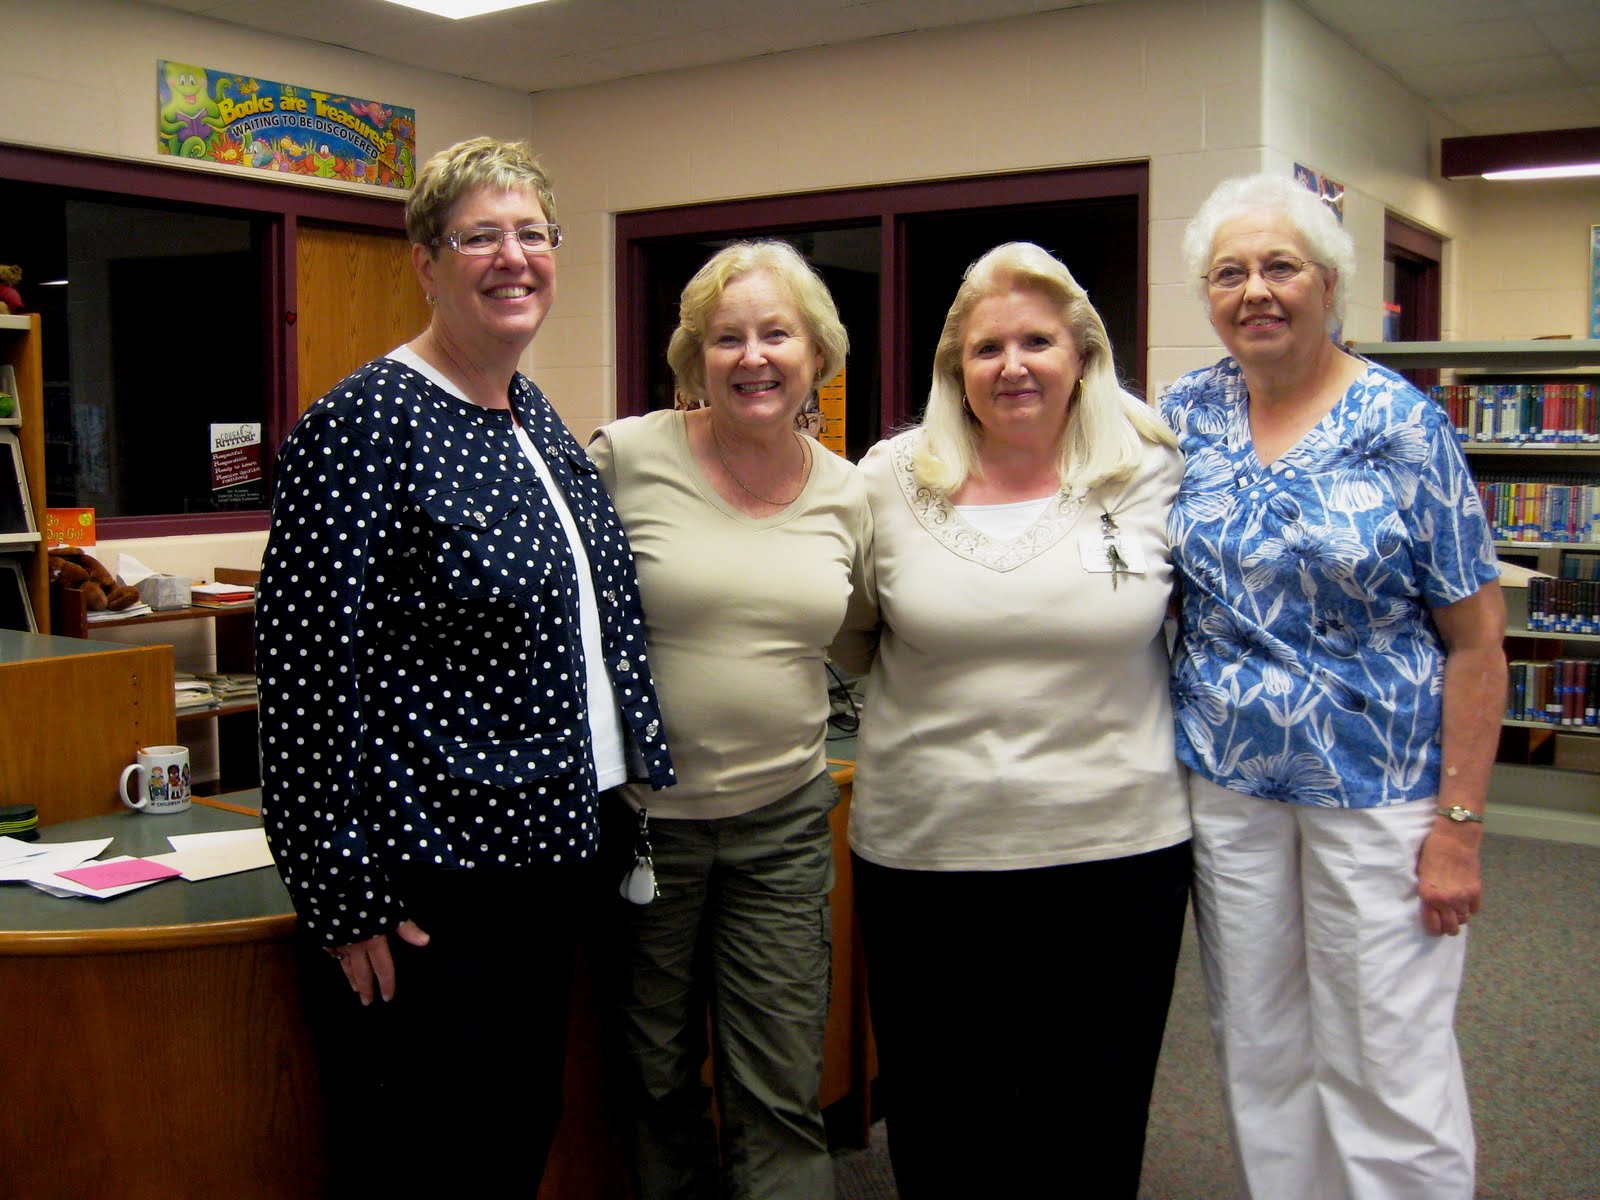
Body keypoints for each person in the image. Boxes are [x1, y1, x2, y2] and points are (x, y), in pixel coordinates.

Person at [257, 136, 674, 1194]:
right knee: (437, 1157)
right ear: (426, 263)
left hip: (548, 853)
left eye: (532, 234)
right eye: (479, 237)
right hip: (432, 873)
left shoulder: (531, 415)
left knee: (516, 1130)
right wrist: (339, 892)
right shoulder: (363, 426)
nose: (512, 257)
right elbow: (305, 676)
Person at [1162, 172, 1506, 1200]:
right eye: (1229, 273)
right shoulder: (1184, 415)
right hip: (1230, 785)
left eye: (1281, 267)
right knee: (1259, 1045)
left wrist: (1458, 827)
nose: (1255, 291)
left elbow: (1478, 642)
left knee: (1385, 1054)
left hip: (1380, 791)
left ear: (1328, 282)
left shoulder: (1402, 423)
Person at [831, 242, 1192, 1198]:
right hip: (928, 857)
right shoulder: (888, 477)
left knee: (1093, 1121)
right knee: (946, 1123)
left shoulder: (1147, 466)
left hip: (1117, 855)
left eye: (1038, 342)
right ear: (955, 366)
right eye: (987, 347)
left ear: (1083, 354)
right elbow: (854, 633)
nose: (1013, 366)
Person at [587, 240, 871, 1200]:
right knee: (653, 1077)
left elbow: (868, 635)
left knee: (779, 1084)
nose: (753, 357)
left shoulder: (849, 492)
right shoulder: (625, 457)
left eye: (776, 335)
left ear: (817, 355)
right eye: (727, 338)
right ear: (694, 359)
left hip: (781, 827)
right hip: (645, 830)